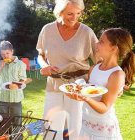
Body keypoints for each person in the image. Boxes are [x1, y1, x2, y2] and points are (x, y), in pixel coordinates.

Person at [36, 0, 98, 139]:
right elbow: (40, 55)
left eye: (78, 13)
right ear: (60, 12)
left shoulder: (87, 32)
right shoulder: (47, 30)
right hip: (54, 83)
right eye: (70, 13)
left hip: (78, 85)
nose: (74, 17)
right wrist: (44, 66)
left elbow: (99, 61)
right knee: (51, 125)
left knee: (76, 126)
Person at [66, 28, 135, 139]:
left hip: (103, 130)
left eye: (101, 41)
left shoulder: (117, 74)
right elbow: (89, 89)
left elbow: (104, 108)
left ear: (113, 48)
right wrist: (78, 90)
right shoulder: (94, 68)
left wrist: (85, 98)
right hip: (86, 124)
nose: (96, 43)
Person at [0, 41, 27, 124]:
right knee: (3, 121)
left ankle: (17, 137)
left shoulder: (20, 64)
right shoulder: (0, 64)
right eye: (3, 54)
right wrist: (0, 67)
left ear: (12, 51)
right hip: (3, 98)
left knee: (17, 121)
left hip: (16, 99)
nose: (5, 56)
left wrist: (17, 85)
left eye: (7, 53)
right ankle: (5, 137)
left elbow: (23, 79)